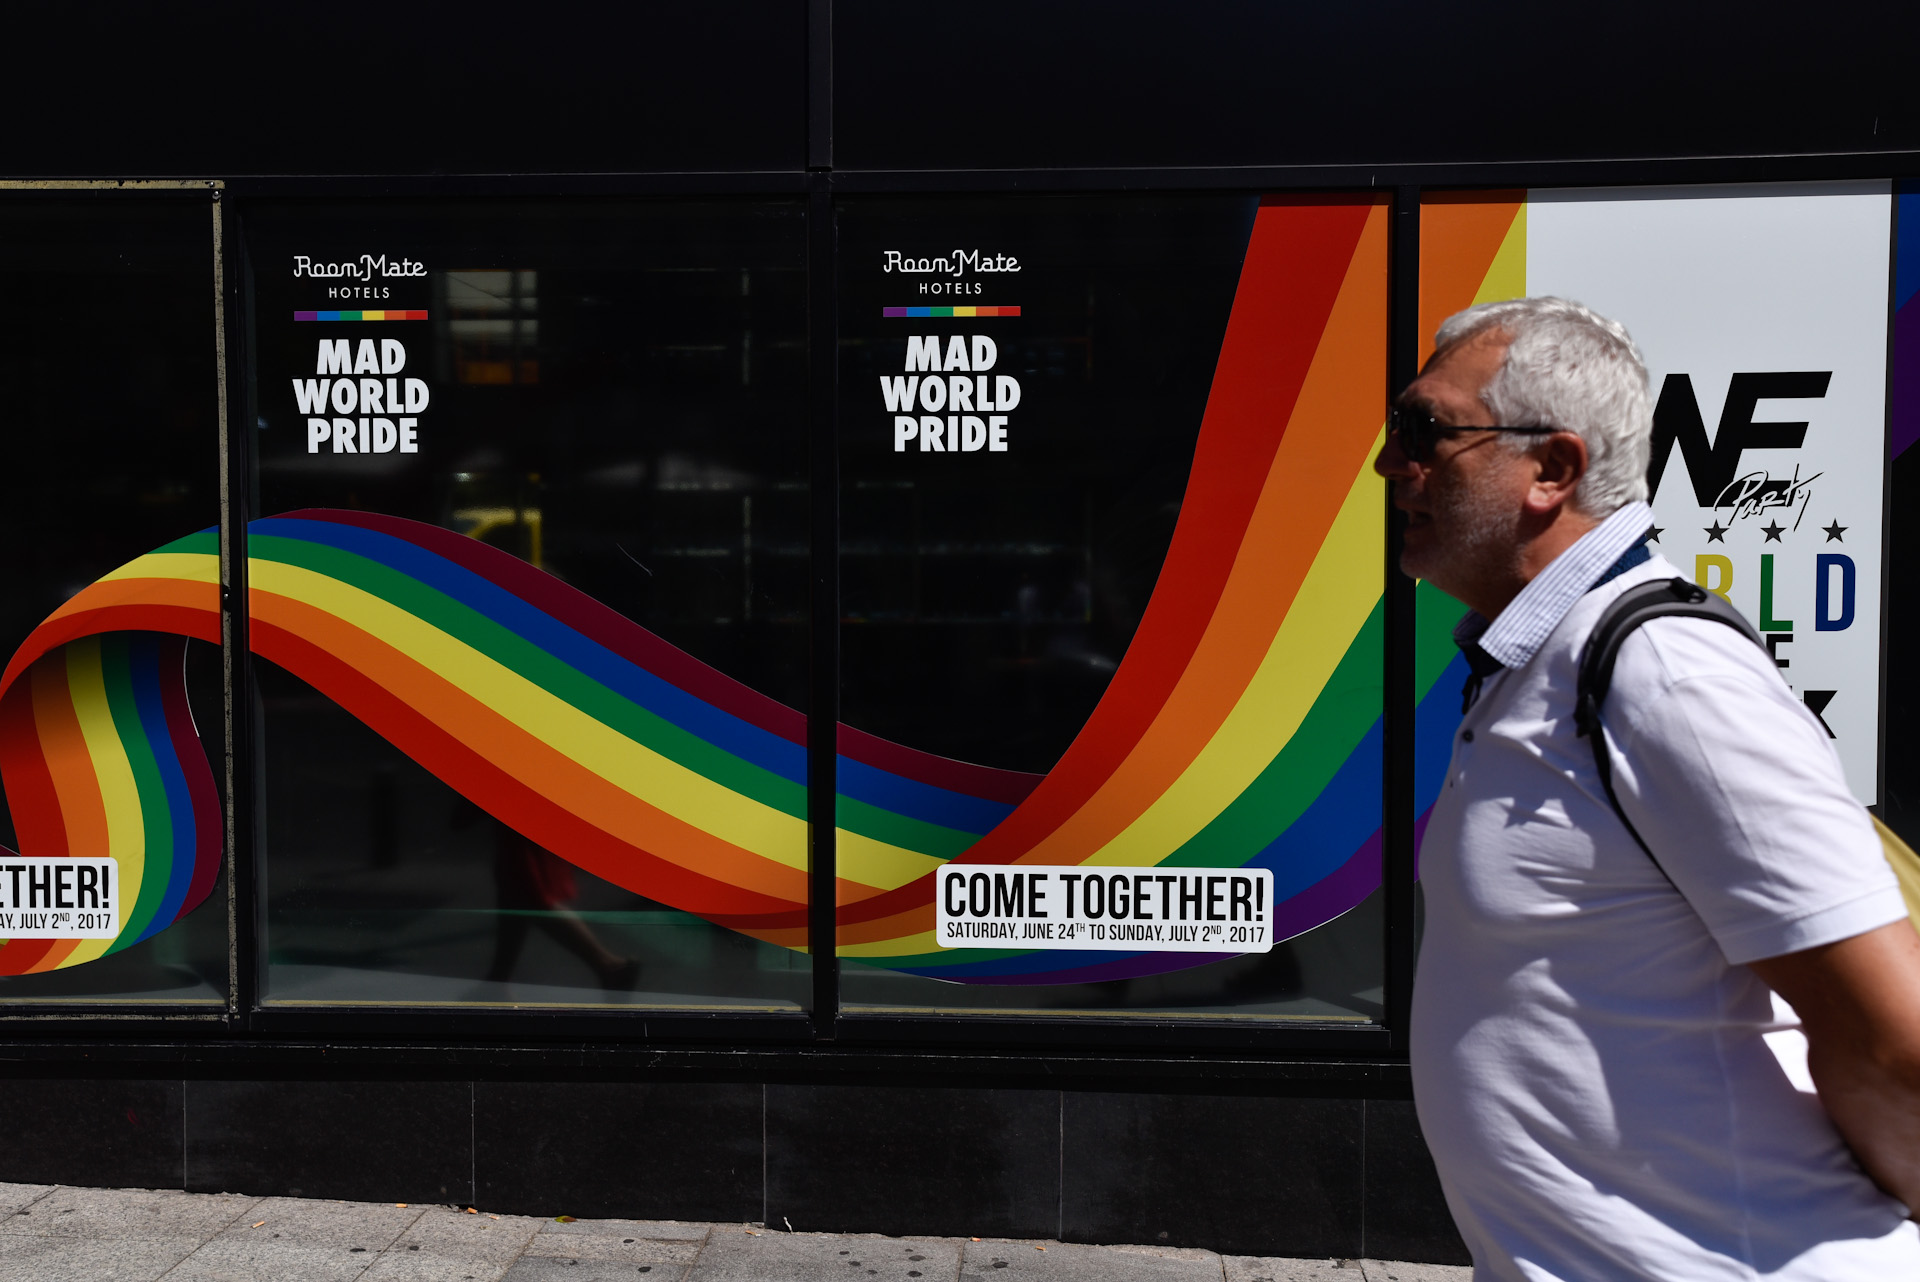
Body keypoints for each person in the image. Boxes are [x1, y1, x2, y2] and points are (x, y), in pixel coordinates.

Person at [1376, 296, 1920, 1280]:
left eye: (1424, 431)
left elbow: (1895, 1042)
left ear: (1554, 468)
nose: (1390, 464)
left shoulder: (1665, 674)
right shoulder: (1535, 661)